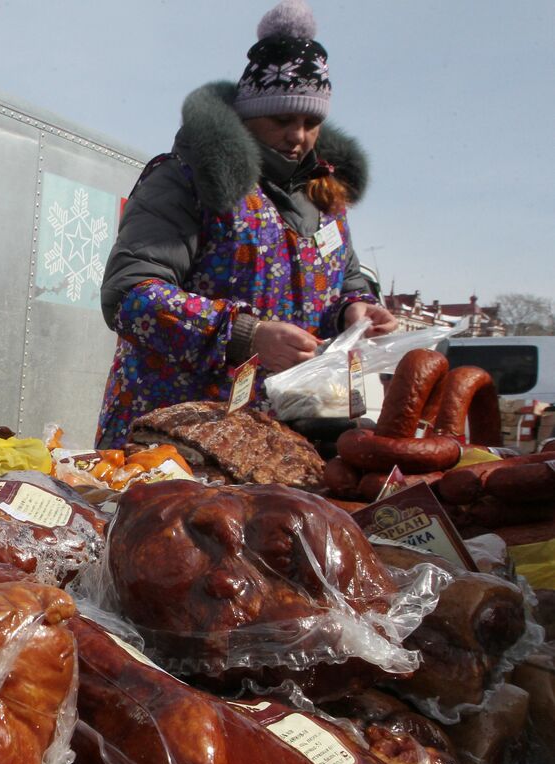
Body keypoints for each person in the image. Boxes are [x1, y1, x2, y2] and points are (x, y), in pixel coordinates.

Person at [95, 0, 396, 447]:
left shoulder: (325, 196)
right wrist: (245, 335)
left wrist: (355, 308)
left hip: (284, 439)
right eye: (283, 119)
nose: (298, 136)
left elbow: (347, 279)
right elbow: (130, 294)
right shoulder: (184, 178)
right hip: (176, 436)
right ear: (248, 114)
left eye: (312, 121)